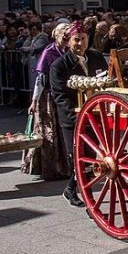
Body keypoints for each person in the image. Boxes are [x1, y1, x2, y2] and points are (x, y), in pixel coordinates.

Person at [49, 21, 108, 207]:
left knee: (90, 157)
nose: (80, 44)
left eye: (83, 39)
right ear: (68, 42)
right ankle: (89, 201)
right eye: (76, 40)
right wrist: (78, 116)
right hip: (73, 119)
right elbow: (59, 96)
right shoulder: (59, 65)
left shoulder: (97, 57)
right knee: (77, 157)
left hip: (95, 115)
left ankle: (70, 188)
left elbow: (105, 81)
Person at [21, 23, 71, 180]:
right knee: (49, 131)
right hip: (48, 96)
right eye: (63, 33)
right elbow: (40, 79)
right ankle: (49, 168)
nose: (66, 36)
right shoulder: (49, 52)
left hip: (64, 93)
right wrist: (34, 101)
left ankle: (66, 166)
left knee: (64, 133)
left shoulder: (70, 51)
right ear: (56, 35)